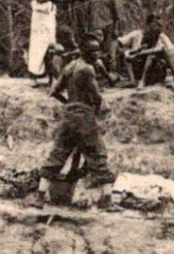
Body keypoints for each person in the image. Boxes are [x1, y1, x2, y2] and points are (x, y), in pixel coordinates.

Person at [38, 39, 117, 207]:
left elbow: (53, 91)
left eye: (98, 51)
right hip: (84, 116)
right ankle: (108, 201)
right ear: (85, 52)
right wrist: (97, 109)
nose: (97, 54)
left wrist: (69, 104)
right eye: (93, 51)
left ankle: (39, 198)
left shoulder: (69, 67)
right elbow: (96, 97)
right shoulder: (87, 69)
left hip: (69, 115)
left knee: (57, 154)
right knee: (98, 154)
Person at [117, 17, 174, 89]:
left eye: (160, 26)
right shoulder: (136, 34)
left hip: (154, 70)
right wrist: (127, 52)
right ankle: (132, 80)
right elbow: (119, 43)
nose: (158, 28)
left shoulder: (162, 37)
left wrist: (137, 53)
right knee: (126, 55)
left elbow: (164, 51)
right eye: (156, 25)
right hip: (138, 67)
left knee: (157, 55)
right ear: (148, 26)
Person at [25, 0, 62, 87]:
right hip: (40, 17)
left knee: (49, 44)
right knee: (37, 45)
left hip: (49, 16)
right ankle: (34, 76)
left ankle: (47, 75)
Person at [88, 0, 120, 74]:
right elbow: (88, 13)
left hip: (108, 26)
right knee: (96, 49)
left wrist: (116, 28)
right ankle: (98, 71)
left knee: (108, 49)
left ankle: (110, 71)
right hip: (96, 27)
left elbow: (116, 15)